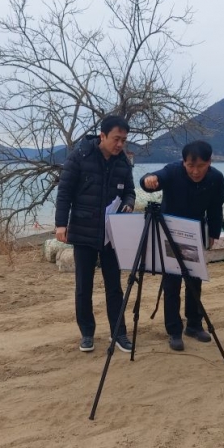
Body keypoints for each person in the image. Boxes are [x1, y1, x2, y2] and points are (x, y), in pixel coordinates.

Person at [54, 115, 136, 353]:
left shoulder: (123, 163)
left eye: (123, 140)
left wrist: (128, 203)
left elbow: (130, 191)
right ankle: (87, 333)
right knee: (84, 286)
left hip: (112, 233)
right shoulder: (80, 156)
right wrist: (61, 224)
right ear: (102, 136)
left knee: (114, 286)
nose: (120, 144)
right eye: (116, 139)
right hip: (83, 230)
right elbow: (64, 192)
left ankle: (119, 333)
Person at [140, 140, 224, 351]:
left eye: (201, 166)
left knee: (195, 281)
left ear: (209, 162)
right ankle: (174, 330)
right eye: (190, 166)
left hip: (195, 233)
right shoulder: (173, 171)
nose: (195, 171)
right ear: (183, 162)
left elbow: (216, 208)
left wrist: (213, 233)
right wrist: (148, 179)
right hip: (169, 233)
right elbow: (155, 178)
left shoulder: (216, 178)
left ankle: (194, 324)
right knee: (172, 284)